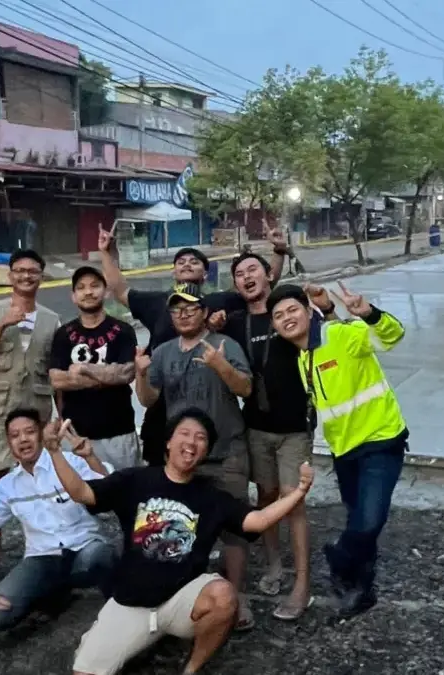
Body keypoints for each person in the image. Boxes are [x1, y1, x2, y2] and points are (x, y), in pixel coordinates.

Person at [48, 408, 315, 675]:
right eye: (184, 434)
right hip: (131, 603)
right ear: (168, 442)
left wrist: (299, 491)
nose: (191, 442)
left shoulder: (211, 497)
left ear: (206, 451)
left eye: (200, 438)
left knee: (223, 596)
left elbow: (257, 520)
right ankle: (142, 638)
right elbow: (81, 492)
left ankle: (192, 668)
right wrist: (54, 451)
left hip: (181, 601)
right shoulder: (135, 480)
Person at [268, 282, 407, 619]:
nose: (286, 318)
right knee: (360, 519)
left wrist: (368, 314)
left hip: (380, 440)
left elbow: (392, 336)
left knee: (368, 521)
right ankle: (361, 590)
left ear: (307, 311)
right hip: (343, 452)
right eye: (278, 315)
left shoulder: (339, 335)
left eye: (292, 309)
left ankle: (340, 557)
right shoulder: (304, 357)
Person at [97, 222, 288, 467]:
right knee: (163, 477)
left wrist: (279, 251)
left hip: (209, 401)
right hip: (163, 404)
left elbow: (260, 284)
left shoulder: (221, 300)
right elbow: (119, 289)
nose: (187, 264)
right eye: (181, 262)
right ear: (174, 272)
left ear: (206, 274)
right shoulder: (156, 302)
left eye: (194, 261)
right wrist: (105, 252)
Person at [133, 284, 257, 630]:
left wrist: (220, 366)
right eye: (176, 310)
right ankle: (188, 593)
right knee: (184, 526)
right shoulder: (163, 352)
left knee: (234, 529)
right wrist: (140, 374)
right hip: (185, 455)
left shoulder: (225, 345)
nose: (183, 314)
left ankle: (237, 595)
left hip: (227, 450)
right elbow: (148, 400)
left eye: (190, 308)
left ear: (204, 312)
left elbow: (245, 389)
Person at [219, 254, 333, 621]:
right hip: (254, 427)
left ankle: (302, 585)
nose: (246, 277)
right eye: (239, 274)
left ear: (269, 274)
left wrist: (326, 307)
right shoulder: (235, 324)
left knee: (293, 502)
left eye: (253, 269)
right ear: (236, 285)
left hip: (295, 429)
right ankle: (273, 565)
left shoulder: (289, 312)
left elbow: (328, 340)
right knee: (265, 497)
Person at [0, 409, 117, 633]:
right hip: (42, 559)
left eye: (29, 432)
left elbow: (109, 490)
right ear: (8, 443)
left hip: (84, 549)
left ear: (41, 435)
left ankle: (117, 613)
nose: (23, 439)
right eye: (15, 435)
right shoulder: (8, 485)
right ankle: (53, 591)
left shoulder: (70, 461)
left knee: (103, 555)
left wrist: (90, 457)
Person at [0, 249, 60, 586]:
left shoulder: (51, 319)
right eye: (19, 270)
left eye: (33, 271)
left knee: (42, 482)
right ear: (10, 275)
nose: (26, 276)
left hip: (35, 414)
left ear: (41, 276)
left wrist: (58, 419)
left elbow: (54, 372)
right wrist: (2, 324)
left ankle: (46, 551)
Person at [48, 266, 140, 469]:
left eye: (94, 286)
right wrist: (106, 377)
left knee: (123, 493)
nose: (88, 292)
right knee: (78, 495)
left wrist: (84, 369)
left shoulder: (123, 331)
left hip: (119, 433)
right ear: (73, 296)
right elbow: (56, 379)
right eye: (81, 288)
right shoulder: (64, 334)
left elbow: (126, 373)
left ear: (106, 292)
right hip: (74, 435)